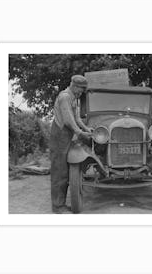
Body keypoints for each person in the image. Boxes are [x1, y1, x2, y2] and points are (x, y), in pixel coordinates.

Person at [49, 75, 93, 214]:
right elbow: (68, 120)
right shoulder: (65, 97)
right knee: (59, 171)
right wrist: (80, 133)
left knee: (65, 170)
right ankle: (57, 206)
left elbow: (77, 118)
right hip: (59, 136)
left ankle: (60, 203)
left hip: (66, 136)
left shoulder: (74, 98)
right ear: (74, 86)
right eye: (80, 89)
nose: (81, 93)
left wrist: (87, 129)